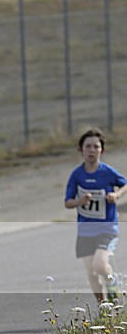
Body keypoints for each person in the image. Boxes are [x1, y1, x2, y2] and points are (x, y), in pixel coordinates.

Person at [64, 128, 126, 304]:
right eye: (88, 146)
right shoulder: (77, 175)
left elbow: (124, 184)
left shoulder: (107, 172)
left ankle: (113, 284)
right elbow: (67, 202)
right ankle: (104, 307)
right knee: (91, 273)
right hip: (85, 230)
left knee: (100, 265)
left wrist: (116, 195)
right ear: (81, 150)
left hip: (107, 228)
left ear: (102, 150)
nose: (92, 150)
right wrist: (80, 201)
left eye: (96, 147)